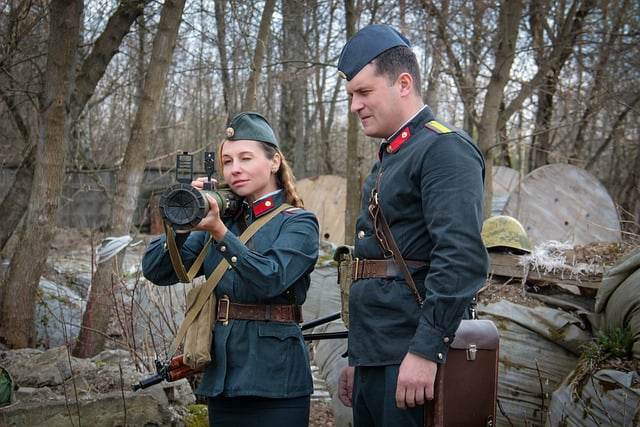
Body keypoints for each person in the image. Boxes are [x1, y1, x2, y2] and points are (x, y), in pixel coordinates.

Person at [336, 24, 489, 426]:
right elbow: (374, 267)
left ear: (403, 83)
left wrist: (426, 350)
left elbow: (460, 259)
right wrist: (359, 356)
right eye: (351, 95)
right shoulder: (392, 155)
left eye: (364, 92)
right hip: (379, 355)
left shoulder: (444, 148)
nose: (355, 105)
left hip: (411, 357)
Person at [142, 112, 319, 427]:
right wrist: (182, 221)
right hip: (225, 376)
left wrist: (220, 233)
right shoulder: (223, 222)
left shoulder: (298, 222)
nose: (234, 169)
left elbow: (271, 278)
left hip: (277, 380)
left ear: (274, 162)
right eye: (227, 161)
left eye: (245, 158)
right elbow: (156, 271)